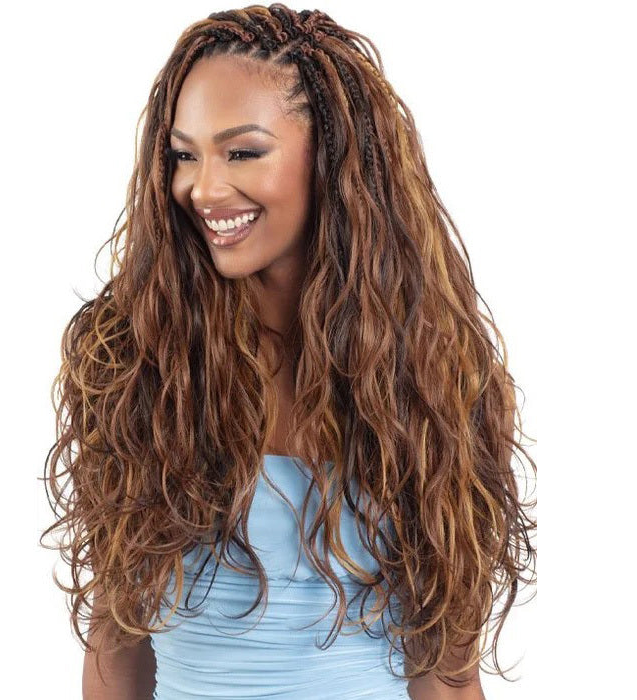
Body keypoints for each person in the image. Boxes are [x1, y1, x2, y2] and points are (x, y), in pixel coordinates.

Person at [41, 4, 536, 699]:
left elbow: (447, 674)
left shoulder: (435, 376)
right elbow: (115, 641)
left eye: (242, 152)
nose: (203, 188)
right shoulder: (134, 360)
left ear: (332, 159)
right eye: (184, 154)